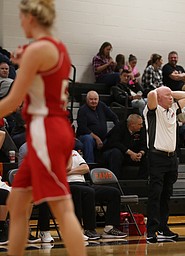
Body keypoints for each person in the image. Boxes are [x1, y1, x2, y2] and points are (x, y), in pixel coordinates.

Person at [0, 1, 87, 255]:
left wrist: (25, 63)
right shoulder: (56, 48)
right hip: (52, 129)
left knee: (61, 206)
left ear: (31, 18)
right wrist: (22, 63)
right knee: (17, 204)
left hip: (47, 132)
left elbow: (13, 100)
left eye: (22, 18)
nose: (21, 22)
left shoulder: (38, 50)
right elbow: (40, 86)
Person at [143, 86, 185, 243]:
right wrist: (160, 92)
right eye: (167, 96)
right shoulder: (152, 110)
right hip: (156, 157)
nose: (172, 98)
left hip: (171, 159)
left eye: (171, 96)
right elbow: (150, 94)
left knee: (166, 195)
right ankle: (151, 231)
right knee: (155, 195)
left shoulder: (174, 109)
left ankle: (163, 228)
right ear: (159, 98)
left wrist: (168, 93)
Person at [67, 150, 127, 240]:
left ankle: (109, 228)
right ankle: (89, 229)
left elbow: (85, 168)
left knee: (113, 192)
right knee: (88, 191)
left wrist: (70, 172)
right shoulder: (54, 153)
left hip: (83, 184)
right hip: (68, 185)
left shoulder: (73, 152)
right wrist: (75, 170)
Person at [76, 90, 119, 163]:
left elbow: (113, 117)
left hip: (102, 137)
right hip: (86, 136)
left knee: (114, 139)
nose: (93, 101)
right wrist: (96, 138)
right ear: (87, 100)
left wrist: (118, 128)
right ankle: (90, 164)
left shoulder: (101, 105)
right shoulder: (82, 110)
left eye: (95, 99)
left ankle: (106, 164)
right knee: (88, 139)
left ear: (98, 99)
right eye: (91, 99)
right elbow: (83, 128)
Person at [103, 114, 147, 179]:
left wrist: (140, 153)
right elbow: (114, 143)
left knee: (149, 155)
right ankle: (115, 180)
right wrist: (130, 153)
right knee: (116, 153)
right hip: (116, 153)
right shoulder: (119, 127)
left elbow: (144, 144)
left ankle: (141, 180)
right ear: (132, 124)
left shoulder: (142, 129)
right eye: (139, 124)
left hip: (133, 155)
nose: (141, 126)